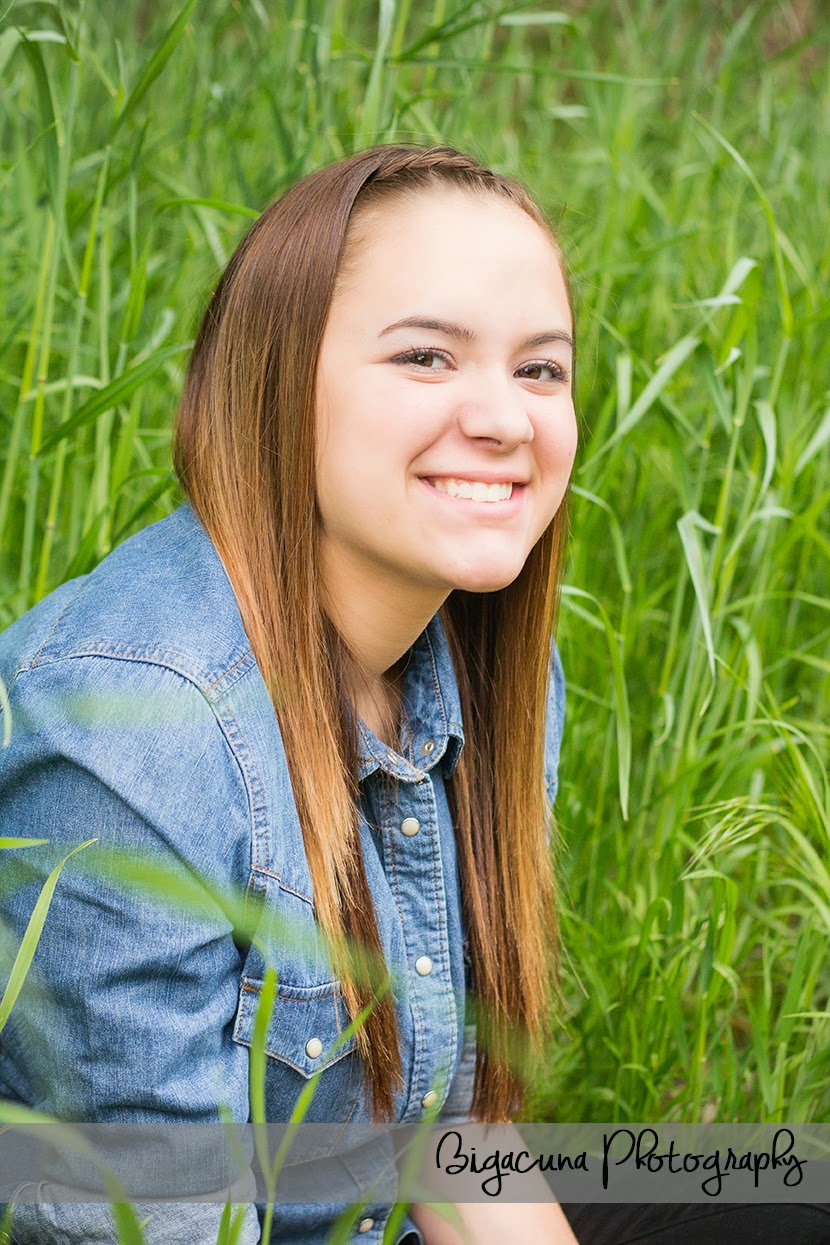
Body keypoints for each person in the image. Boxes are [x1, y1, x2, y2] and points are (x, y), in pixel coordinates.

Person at [0, 144, 578, 1244]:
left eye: (539, 369)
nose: (506, 419)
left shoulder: (493, 670)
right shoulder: (131, 741)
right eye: (425, 356)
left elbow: (452, 1143)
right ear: (276, 379)